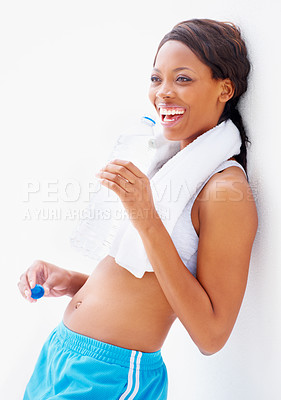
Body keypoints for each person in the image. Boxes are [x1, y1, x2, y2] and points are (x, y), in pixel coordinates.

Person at [18, 19, 258, 400]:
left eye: (182, 79)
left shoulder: (224, 190)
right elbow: (145, 288)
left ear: (224, 88)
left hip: (112, 375)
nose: (163, 93)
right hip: (60, 356)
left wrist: (145, 216)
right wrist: (76, 283)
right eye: (155, 78)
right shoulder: (164, 165)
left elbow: (211, 335)